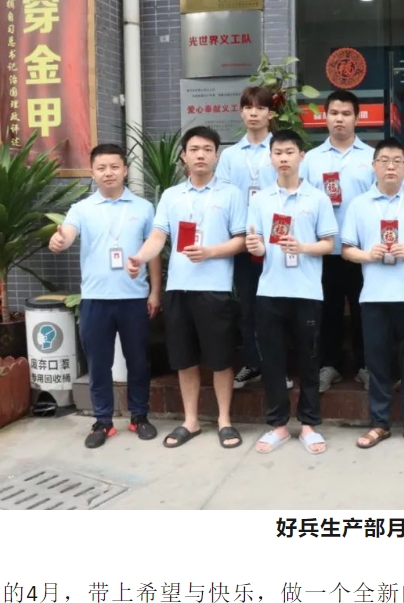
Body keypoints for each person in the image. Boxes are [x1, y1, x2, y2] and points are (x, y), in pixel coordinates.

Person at [127, 126, 247, 449]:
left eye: (207, 149)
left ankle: (224, 421)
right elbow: (158, 236)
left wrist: (210, 252)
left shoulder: (231, 194)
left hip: (216, 290)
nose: (200, 155)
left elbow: (241, 240)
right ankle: (190, 421)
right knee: (184, 359)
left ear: (217, 155)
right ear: (184, 156)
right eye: (194, 149)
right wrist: (140, 257)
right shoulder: (171, 196)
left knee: (221, 359)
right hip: (179, 289)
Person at [49, 144, 162, 448]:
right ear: (93, 172)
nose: (108, 173)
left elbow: (153, 252)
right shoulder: (82, 209)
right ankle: (103, 421)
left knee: (139, 361)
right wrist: (60, 240)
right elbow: (68, 233)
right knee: (99, 364)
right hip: (95, 300)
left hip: (134, 299)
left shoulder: (143, 208)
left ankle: (139, 416)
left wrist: (155, 291)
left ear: (125, 170)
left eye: (114, 167)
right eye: (101, 168)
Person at [341, 137, 404, 451]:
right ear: (373, 166)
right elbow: (346, 250)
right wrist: (366, 254)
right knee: (378, 363)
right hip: (373, 297)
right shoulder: (359, 204)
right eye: (384, 160)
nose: (390, 166)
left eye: (397, 161)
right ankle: (379, 423)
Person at [245, 130, 338, 454]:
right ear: (270, 158)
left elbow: (329, 244)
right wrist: (255, 246)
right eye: (278, 153)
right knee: (273, 362)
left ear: (301, 156)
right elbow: (257, 245)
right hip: (270, 290)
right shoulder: (260, 200)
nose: (283, 158)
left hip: (307, 291)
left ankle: (309, 424)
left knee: (309, 360)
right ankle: (279, 426)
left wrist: (302, 247)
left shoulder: (317, 198)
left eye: (289, 152)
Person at [304, 90, 375, 393]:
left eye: (346, 113)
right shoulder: (311, 159)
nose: (339, 119)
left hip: (361, 250)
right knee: (327, 311)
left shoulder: (371, 157)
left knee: (363, 310)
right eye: (334, 113)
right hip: (324, 249)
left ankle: (365, 365)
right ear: (325, 117)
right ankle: (329, 365)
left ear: (357, 118)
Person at [216, 86, 283, 390]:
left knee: (277, 306)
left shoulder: (280, 150)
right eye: (248, 107)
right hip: (243, 242)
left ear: (271, 113)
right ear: (241, 112)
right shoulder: (230, 156)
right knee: (248, 305)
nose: (254, 113)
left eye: (260, 108)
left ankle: (278, 367)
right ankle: (253, 363)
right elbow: (224, 198)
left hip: (278, 242)